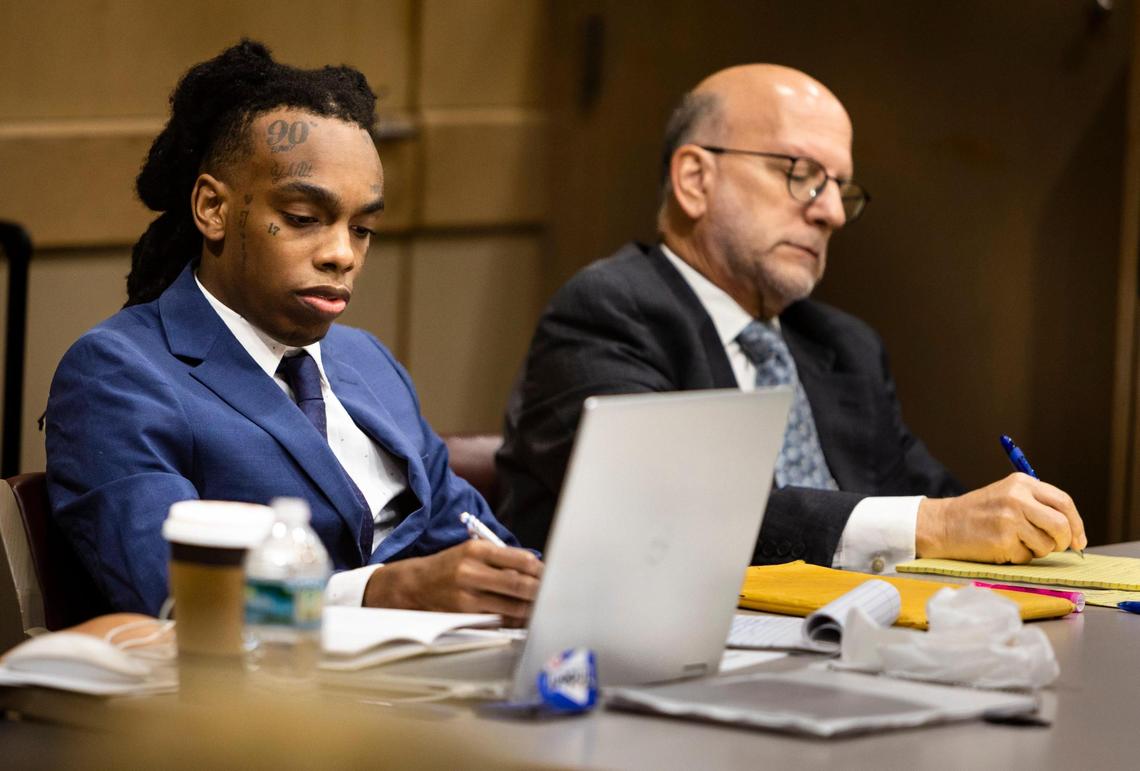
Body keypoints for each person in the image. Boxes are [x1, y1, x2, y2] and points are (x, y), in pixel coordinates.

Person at [496, 64, 1087, 573]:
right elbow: (680, 516)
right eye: (801, 175)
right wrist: (934, 525)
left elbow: (939, 503)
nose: (832, 212)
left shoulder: (844, 346)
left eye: (840, 188)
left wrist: (1014, 526)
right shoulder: (609, 312)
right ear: (695, 179)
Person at [45, 41, 541, 620]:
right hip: (269, 677)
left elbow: (473, 538)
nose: (342, 254)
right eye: (304, 219)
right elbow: (180, 595)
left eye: (362, 229)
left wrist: (534, 589)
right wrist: (382, 592)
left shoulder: (368, 361)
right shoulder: (116, 374)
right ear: (213, 208)